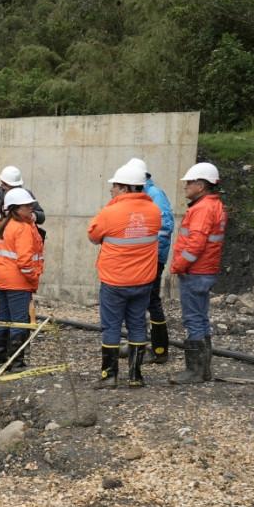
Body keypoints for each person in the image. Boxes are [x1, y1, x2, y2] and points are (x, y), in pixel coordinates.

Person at [87, 164, 162, 389]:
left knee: (111, 327)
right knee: (137, 325)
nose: (111, 189)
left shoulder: (110, 212)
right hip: (143, 281)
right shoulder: (154, 211)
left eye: (115, 186)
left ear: (124, 188)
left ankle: (109, 376)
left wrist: (112, 207)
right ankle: (135, 376)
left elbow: (93, 235)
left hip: (115, 281)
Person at [169, 162, 227, 385]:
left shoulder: (202, 209)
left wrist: (179, 266)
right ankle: (203, 370)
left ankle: (195, 371)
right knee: (201, 319)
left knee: (193, 319)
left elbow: (195, 245)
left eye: (189, 182)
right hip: (206, 270)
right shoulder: (214, 205)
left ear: (201, 186)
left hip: (195, 271)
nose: (185, 186)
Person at [0, 187, 44, 369]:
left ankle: (2, 357)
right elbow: (25, 262)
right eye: (27, 206)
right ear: (16, 208)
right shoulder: (22, 228)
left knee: (4, 318)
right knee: (19, 321)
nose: (31, 208)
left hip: (2, 281)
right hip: (19, 283)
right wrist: (33, 278)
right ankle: (16, 361)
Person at [127, 158, 174, 364]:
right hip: (144, 257)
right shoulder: (143, 195)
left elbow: (164, 228)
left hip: (152, 258)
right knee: (141, 301)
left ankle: (159, 349)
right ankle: (143, 345)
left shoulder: (154, 195)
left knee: (151, 300)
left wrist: (150, 254)